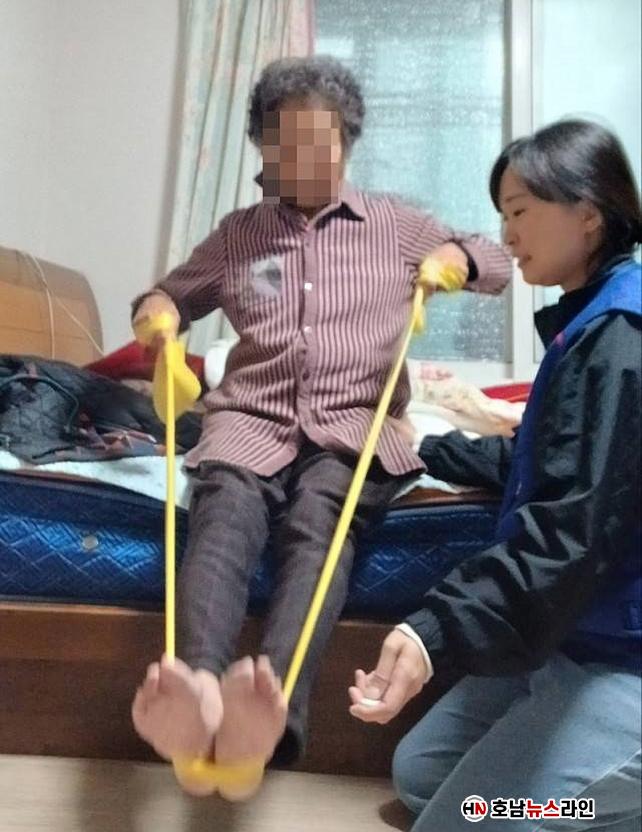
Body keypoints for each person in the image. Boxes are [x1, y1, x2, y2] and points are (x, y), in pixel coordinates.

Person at [130, 54, 510, 798]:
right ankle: (198, 698)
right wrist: (158, 317)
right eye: (287, 141)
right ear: (263, 147)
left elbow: (496, 261)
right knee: (223, 519)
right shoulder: (238, 235)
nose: (305, 156)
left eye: (321, 140)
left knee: (318, 527)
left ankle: (267, 719)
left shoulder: (395, 224)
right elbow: (169, 294)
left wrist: (454, 258)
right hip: (251, 420)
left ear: (347, 141)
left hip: (354, 426)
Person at [349, 118, 642, 831]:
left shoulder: (621, 336)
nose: (507, 235)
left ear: (589, 212)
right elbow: (551, 461)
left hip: (626, 660)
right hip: (576, 641)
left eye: (519, 212)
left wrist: (431, 631)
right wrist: (428, 448)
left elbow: (567, 534)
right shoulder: (590, 319)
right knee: (421, 776)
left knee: (470, 817)